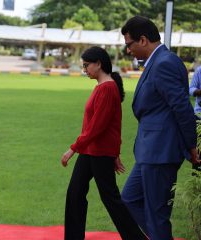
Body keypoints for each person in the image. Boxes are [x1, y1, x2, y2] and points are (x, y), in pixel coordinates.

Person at [120, 16, 200, 240]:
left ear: (143, 40)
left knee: (156, 214)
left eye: (129, 44)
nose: (128, 50)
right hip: (151, 150)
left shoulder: (164, 62)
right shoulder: (158, 61)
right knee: (130, 198)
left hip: (161, 151)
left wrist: (191, 145)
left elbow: (182, 107)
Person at [60, 46, 146, 240]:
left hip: (98, 152)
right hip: (92, 151)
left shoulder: (107, 88)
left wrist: (72, 149)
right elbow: (107, 126)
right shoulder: (101, 86)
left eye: (86, 65)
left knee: (110, 198)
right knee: (75, 193)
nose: (84, 70)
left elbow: (98, 127)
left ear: (99, 64)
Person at [189, 66, 201, 171]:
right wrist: (199, 91)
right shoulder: (199, 70)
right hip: (199, 116)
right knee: (198, 152)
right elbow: (191, 89)